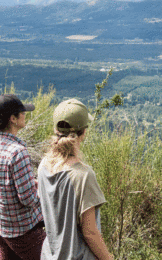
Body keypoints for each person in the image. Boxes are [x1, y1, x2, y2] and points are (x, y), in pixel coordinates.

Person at [38, 99, 113, 260]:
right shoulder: (83, 175)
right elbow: (90, 232)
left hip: (49, 255)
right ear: (84, 132)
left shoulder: (44, 165)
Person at [0, 94, 45, 260]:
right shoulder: (18, 152)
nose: (25, 115)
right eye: (22, 112)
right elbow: (28, 200)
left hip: (0, 229)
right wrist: (44, 192)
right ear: (13, 119)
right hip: (23, 232)